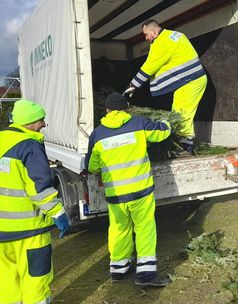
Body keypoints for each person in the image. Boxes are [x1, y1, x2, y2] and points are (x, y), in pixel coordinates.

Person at [85, 92, 172, 287]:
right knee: (144, 228)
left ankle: (119, 269)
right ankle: (146, 274)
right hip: (141, 191)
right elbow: (161, 133)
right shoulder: (138, 123)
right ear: (126, 108)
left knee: (119, 229)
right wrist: (167, 123)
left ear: (107, 110)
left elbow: (91, 166)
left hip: (115, 195)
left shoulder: (97, 134)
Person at [0, 99, 71, 304]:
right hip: (29, 231)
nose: (44, 124)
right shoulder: (29, 146)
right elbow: (39, 188)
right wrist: (59, 214)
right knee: (36, 280)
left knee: (6, 283)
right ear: (30, 122)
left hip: (2, 233)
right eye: (41, 120)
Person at [124, 19, 207, 156]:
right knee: (179, 110)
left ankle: (186, 147)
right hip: (191, 79)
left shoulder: (162, 43)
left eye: (146, 34)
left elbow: (149, 67)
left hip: (190, 81)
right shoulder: (175, 35)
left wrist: (132, 86)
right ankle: (182, 143)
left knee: (181, 114)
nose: (145, 38)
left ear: (154, 32)